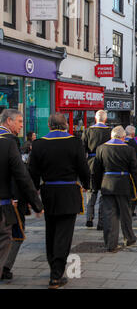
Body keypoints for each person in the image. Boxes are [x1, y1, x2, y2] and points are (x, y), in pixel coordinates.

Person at [29, 113, 90, 289]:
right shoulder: (75, 142)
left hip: (49, 192)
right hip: (69, 192)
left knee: (51, 232)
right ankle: (56, 274)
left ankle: (54, 268)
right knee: (64, 235)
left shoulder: (39, 144)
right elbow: (83, 168)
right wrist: (86, 184)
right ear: (65, 125)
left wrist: (34, 192)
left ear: (49, 125)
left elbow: (32, 172)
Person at [0, 135, 43, 281]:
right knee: (14, 234)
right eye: (18, 121)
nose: (20, 125)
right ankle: (5, 266)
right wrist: (36, 204)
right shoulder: (9, 144)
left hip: (11, 200)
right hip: (10, 202)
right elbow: (21, 177)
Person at [93, 126, 137, 252]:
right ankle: (129, 237)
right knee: (125, 213)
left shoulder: (101, 148)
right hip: (123, 184)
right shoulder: (129, 150)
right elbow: (135, 171)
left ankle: (110, 243)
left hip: (107, 184)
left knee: (109, 214)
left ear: (111, 136)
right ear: (123, 137)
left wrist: (96, 186)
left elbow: (96, 171)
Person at [82, 110, 111, 230]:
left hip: (92, 163)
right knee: (104, 193)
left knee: (91, 191)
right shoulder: (109, 131)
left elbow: (83, 150)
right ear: (105, 119)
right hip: (105, 164)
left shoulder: (88, 131)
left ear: (95, 118)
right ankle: (101, 221)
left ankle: (89, 218)